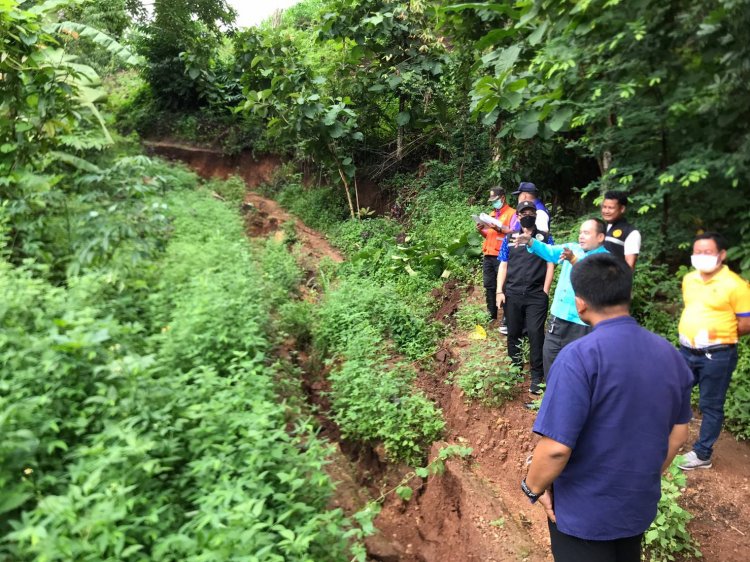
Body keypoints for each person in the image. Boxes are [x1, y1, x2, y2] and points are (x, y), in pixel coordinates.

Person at [522, 254, 693, 562]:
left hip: (583, 515)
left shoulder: (579, 357)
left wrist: (534, 487)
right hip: (636, 508)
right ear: (627, 295)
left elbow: (556, 449)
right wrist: (643, 476)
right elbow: (679, 433)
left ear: (580, 303)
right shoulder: (670, 355)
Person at [677, 232, 750, 470]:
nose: (701, 256)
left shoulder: (736, 285)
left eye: (707, 252)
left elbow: (746, 323)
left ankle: (702, 453)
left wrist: (719, 336)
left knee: (711, 404)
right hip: (686, 350)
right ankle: (674, 438)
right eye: (697, 252)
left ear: (722, 255)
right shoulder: (689, 279)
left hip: (718, 355)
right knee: (676, 393)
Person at [515, 218, 608, 381]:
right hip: (559, 317)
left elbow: (592, 275)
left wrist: (573, 259)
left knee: (579, 367)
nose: (581, 236)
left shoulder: (606, 258)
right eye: (580, 232)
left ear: (600, 237)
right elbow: (549, 251)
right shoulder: (572, 248)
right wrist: (530, 241)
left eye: (586, 233)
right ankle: (552, 398)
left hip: (583, 322)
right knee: (551, 358)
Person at [496, 201, 555, 394]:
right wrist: (499, 291)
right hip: (512, 293)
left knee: (535, 333)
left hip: (536, 294)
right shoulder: (510, 238)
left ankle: (537, 375)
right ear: (518, 216)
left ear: (535, 216)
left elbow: (550, 264)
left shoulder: (545, 238)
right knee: (513, 332)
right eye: (523, 213)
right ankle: (515, 367)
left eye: (530, 212)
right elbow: (503, 264)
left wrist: (545, 291)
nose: (527, 215)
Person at [477, 187, 515, 323]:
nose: (494, 203)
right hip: (488, 254)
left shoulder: (512, 214)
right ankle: (491, 314)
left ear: (503, 198)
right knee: (489, 286)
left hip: (501, 255)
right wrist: (481, 230)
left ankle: (507, 316)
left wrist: (497, 227)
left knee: (504, 286)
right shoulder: (492, 214)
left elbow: (513, 232)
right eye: (492, 201)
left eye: (496, 200)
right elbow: (490, 234)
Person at [601, 190, 641, 269]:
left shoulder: (631, 233)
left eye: (610, 208)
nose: (606, 211)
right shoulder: (601, 227)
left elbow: (629, 267)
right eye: (604, 207)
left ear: (622, 209)